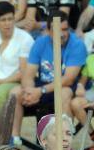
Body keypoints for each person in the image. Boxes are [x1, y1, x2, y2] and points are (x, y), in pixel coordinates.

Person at [11, 11, 86, 141]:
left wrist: (40, 91)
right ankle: (15, 138)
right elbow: (28, 74)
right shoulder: (40, 42)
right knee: (15, 92)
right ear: (48, 30)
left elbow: (68, 79)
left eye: (65, 29)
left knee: (64, 93)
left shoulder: (77, 44)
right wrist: (30, 92)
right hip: (43, 84)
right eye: (57, 30)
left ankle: (64, 143)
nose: (62, 34)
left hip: (65, 86)